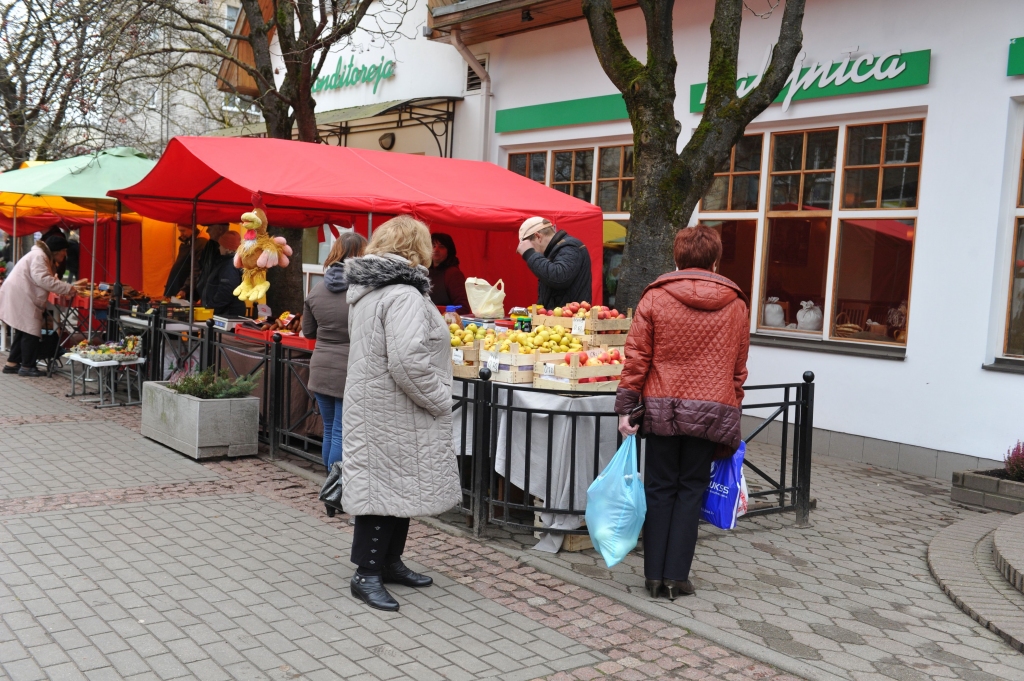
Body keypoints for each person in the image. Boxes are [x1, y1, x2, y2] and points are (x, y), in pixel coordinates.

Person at [614, 225, 749, 600]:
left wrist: (625, 408)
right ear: (716, 260)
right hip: (712, 411)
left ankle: (653, 577)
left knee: (659, 488)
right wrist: (733, 408)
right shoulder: (737, 305)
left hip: (662, 409)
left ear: (676, 258)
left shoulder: (655, 297)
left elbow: (636, 358)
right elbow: (738, 370)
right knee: (691, 490)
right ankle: (676, 578)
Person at [343, 215, 461, 612]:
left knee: (396, 487)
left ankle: (389, 563)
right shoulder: (404, 294)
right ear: (417, 248)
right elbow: (408, 361)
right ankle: (367, 574)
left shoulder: (372, 290)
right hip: (394, 407)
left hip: (377, 404)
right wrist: (440, 399)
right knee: (383, 491)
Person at [303, 231, 367, 473]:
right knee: (341, 430)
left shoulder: (316, 290)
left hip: (320, 367)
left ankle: (330, 482)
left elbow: (308, 331)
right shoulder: (362, 292)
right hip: (349, 368)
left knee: (330, 428)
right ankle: (337, 485)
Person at [0, 235, 84, 377]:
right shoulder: (40, 256)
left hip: (20, 293)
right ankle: (27, 366)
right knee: (31, 331)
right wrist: (68, 288)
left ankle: (12, 363)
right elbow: (43, 279)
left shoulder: (41, 255)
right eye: (64, 251)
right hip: (22, 295)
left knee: (23, 330)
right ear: (57, 250)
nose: (65, 254)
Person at [515, 216, 592, 309]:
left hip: (570, 317)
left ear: (538, 236)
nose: (533, 251)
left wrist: (529, 253)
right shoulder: (555, 250)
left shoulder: (571, 247)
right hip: (559, 316)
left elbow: (559, 277)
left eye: (529, 246)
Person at [200, 232, 246, 317]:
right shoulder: (227, 262)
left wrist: (212, 307)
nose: (219, 247)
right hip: (226, 312)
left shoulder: (230, 265)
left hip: (227, 313)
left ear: (227, 248)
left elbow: (227, 290)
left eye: (221, 245)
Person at [428, 233, 470, 311]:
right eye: (433, 246)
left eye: (441, 246)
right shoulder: (425, 271)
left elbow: (463, 307)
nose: (436, 250)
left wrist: (437, 310)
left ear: (449, 251)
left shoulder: (453, 274)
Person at [164, 224, 208, 298]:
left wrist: (185, 289)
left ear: (192, 229)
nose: (181, 234)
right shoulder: (188, 242)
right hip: (178, 286)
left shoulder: (201, 243)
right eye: (180, 231)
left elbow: (197, 270)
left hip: (186, 291)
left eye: (183, 231)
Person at [197, 223, 230, 303]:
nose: (207, 231)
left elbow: (227, 285)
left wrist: (215, 301)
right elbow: (201, 268)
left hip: (218, 302)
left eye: (210, 228)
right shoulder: (209, 245)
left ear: (220, 229)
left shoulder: (228, 250)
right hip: (207, 298)